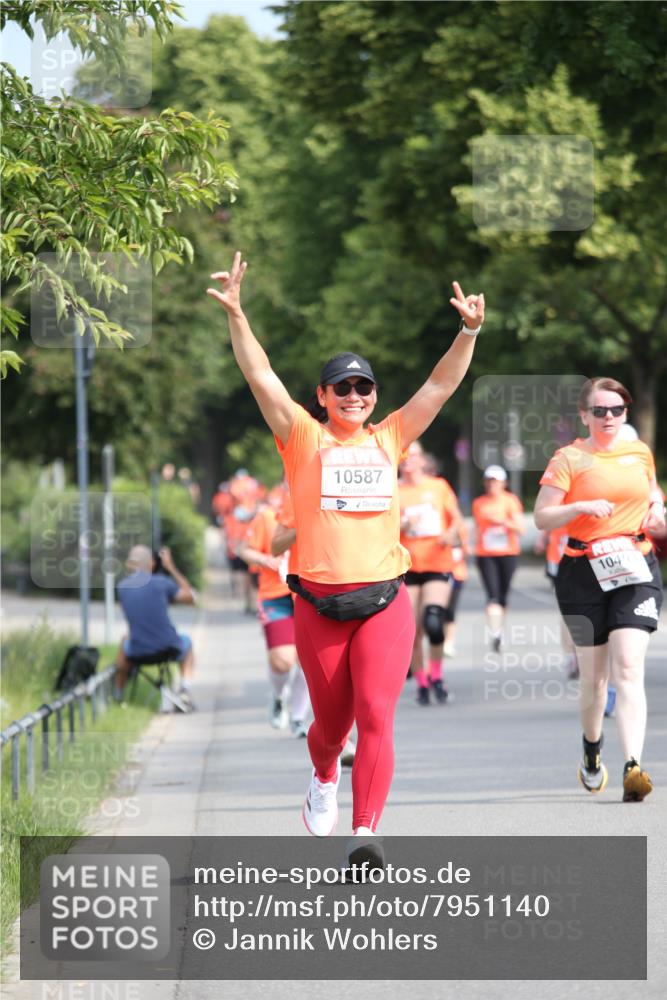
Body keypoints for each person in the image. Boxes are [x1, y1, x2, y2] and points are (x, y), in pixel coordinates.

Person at [207, 252, 484, 859]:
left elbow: (439, 386)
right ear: (323, 396)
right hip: (319, 604)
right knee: (331, 727)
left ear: (373, 395)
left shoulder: (389, 437)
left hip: (385, 600)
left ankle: (365, 834)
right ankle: (324, 774)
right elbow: (260, 376)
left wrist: (467, 332)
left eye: (364, 387)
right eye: (343, 387)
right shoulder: (300, 437)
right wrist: (237, 313)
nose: (355, 395)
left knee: (378, 714)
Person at [534, 377, 665, 801]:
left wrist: (659, 512)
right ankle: (592, 750)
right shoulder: (569, 458)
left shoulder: (639, 452)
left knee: (628, 666)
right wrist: (579, 507)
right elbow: (542, 517)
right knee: (594, 681)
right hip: (582, 572)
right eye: (600, 411)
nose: (609, 417)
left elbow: (651, 493)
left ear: (626, 413)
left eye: (617, 410)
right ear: (585, 415)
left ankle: (633, 766)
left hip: (634, 566)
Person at [237, 493, 311, 736]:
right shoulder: (267, 516)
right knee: (282, 661)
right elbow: (244, 550)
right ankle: (279, 696)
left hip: (309, 593)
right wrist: (265, 559)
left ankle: (299, 717)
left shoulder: (318, 511)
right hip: (275, 595)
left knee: (308, 661)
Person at [398, 440, 461, 705]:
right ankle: (421, 681)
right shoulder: (393, 491)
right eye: (404, 456)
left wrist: (451, 534)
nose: (409, 461)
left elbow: (456, 521)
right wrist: (401, 524)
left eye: (414, 456)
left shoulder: (438, 487)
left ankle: (437, 676)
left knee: (434, 621)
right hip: (407, 566)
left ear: (424, 460)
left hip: (438, 562)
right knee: (412, 629)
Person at [114, 545, 196, 709]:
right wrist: (171, 567)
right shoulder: (162, 583)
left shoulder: (122, 587)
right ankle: (185, 688)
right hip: (169, 647)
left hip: (138, 651)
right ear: (151, 563)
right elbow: (190, 598)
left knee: (124, 641)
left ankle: (118, 695)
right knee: (188, 643)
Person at [472, 465, 525, 651]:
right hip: (486, 555)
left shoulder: (510, 501)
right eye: (489, 480)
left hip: (508, 554)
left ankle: (499, 630)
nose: (492, 484)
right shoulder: (479, 503)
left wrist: (504, 522)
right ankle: (495, 633)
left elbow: (521, 529)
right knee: (492, 596)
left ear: (504, 483)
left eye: (495, 481)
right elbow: (477, 528)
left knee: (503, 596)